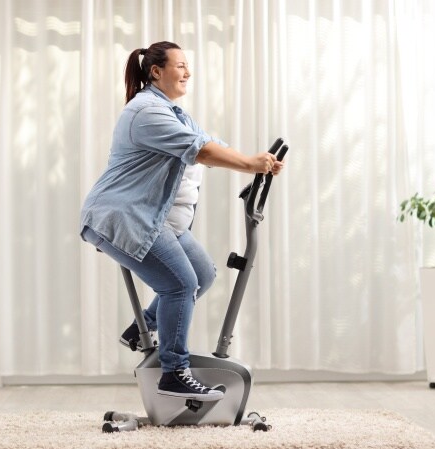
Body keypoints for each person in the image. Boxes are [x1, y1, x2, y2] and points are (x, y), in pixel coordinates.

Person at [80, 41, 284, 402]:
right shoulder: (146, 112)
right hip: (124, 217)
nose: (188, 72)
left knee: (202, 275)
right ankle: (174, 373)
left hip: (158, 219)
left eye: (188, 66)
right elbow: (201, 151)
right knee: (180, 284)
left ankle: (141, 328)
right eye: (180, 66)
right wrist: (250, 164)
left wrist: (257, 161)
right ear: (156, 71)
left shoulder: (175, 113)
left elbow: (210, 144)